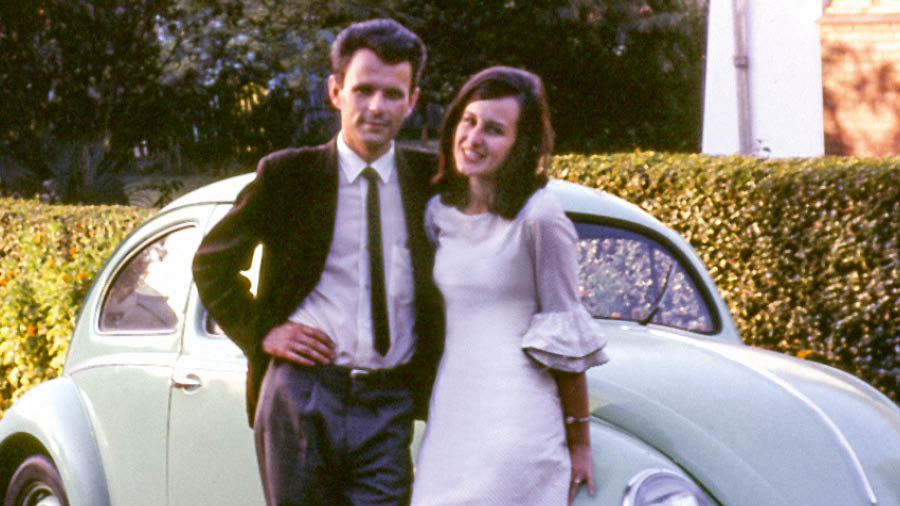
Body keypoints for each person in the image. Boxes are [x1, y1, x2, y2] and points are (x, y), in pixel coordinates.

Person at [192, 18, 443, 506]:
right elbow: (211, 264)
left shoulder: (430, 182)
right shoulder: (289, 176)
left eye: (393, 94)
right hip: (302, 395)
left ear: (412, 101)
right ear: (336, 91)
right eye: (363, 90)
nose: (377, 106)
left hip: (389, 400)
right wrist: (264, 331)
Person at [410, 66, 609, 505]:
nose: (474, 138)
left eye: (495, 130)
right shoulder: (438, 214)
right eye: (469, 121)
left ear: (522, 144)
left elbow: (566, 335)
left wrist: (579, 443)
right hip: (452, 419)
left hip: (517, 423)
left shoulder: (540, 217)